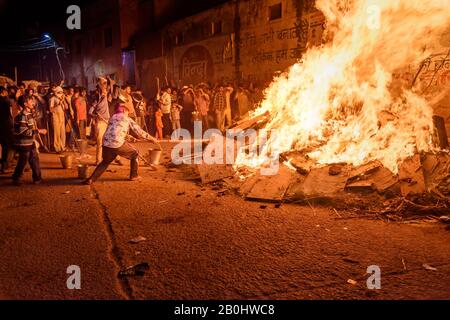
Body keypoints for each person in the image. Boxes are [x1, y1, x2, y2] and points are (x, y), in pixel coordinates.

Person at [83, 104, 159, 185]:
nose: (128, 114)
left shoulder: (112, 118)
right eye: (127, 112)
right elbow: (140, 132)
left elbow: (115, 131)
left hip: (105, 143)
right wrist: (152, 138)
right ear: (124, 111)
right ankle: (134, 176)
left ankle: (91, 179)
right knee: (135, 153)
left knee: (105, 162)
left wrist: (129, 137)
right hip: (116, 143)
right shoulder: (127, 119)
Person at [11, 95, 47, 185]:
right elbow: (23, 131)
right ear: (25, 104)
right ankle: (16, 178)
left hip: (29, 142)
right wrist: (39, 131)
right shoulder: (23, 115)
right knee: (23, 161)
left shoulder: (29, 113)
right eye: (31, 101)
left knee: (34, 159)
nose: (33, 103)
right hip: (23, 143)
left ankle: (37, 178)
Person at [89, 79, 112, 164]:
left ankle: (114, 158)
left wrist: (108, 80)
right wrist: (95, 116)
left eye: (106, 86)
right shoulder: (97, 98)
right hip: (100, 122)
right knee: (100, 142)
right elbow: (90, 112)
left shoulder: (105, 96)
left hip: (106, 120)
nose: (106, 88)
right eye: (104, 86)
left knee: (110, 141)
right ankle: (98, 161)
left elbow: (111, 86)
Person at [0, 86, 14, 173]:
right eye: (5, 91)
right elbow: (11, 113)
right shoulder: (6, 101)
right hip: (6, 125)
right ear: (2, 92)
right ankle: (5, 167)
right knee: (7, 146)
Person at [49, 86, 67, 153]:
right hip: (56, 117)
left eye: (61, 92)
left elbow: (66, 107)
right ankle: (57, 148)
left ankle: (63, 147)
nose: (60, 93)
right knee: (57, 133)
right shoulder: (52, 99)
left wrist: (63, 101)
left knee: (63, 133)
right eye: (59, 92)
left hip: (62, 117)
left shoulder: (62, 98)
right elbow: (51, 109)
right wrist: (58, 104)